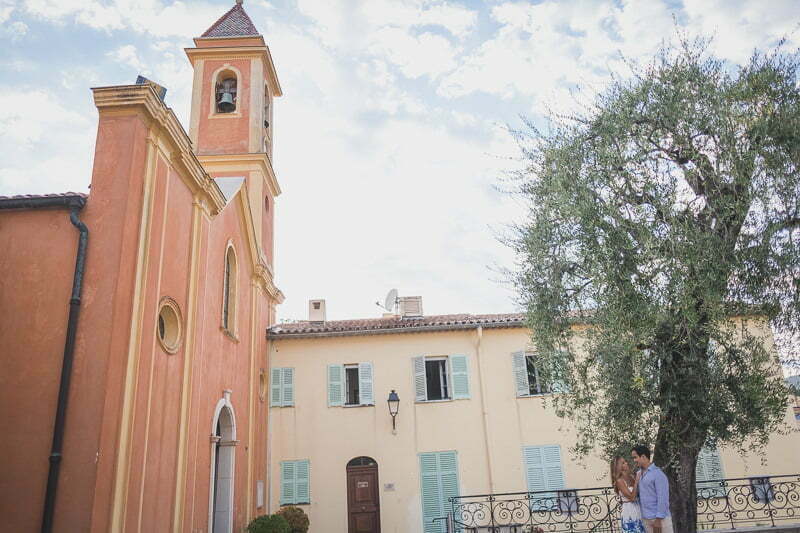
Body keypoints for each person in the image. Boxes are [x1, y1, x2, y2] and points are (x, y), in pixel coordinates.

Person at [632, 444, 674, 533]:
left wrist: (658, 520)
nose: (634, 460)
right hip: (646, 519)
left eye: (635, 457)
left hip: (660, 520)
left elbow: (663, 498)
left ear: (643, 456)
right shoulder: (639, 474)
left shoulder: (658, 474)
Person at [611, 456, 645, 533]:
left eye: (625, 461)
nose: (626, 463)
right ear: (619, 467)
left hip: (638, 509)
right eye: (623, 463)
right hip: (629, 511)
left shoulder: (632, 477)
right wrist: (636, 481)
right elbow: (632, 497)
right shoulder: (619, 481)